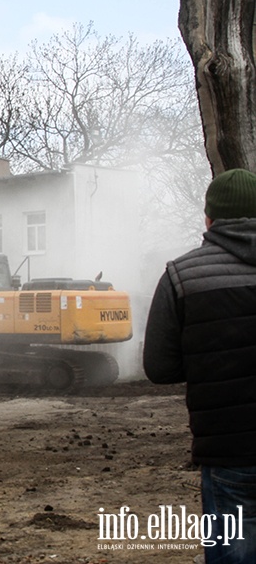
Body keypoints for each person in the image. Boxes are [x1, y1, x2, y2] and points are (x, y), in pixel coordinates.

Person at [143, 168, 256, 563]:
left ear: (208, 218)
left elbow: (159, 367)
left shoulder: (181, 276)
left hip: (227, 451)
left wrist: (211, 358)